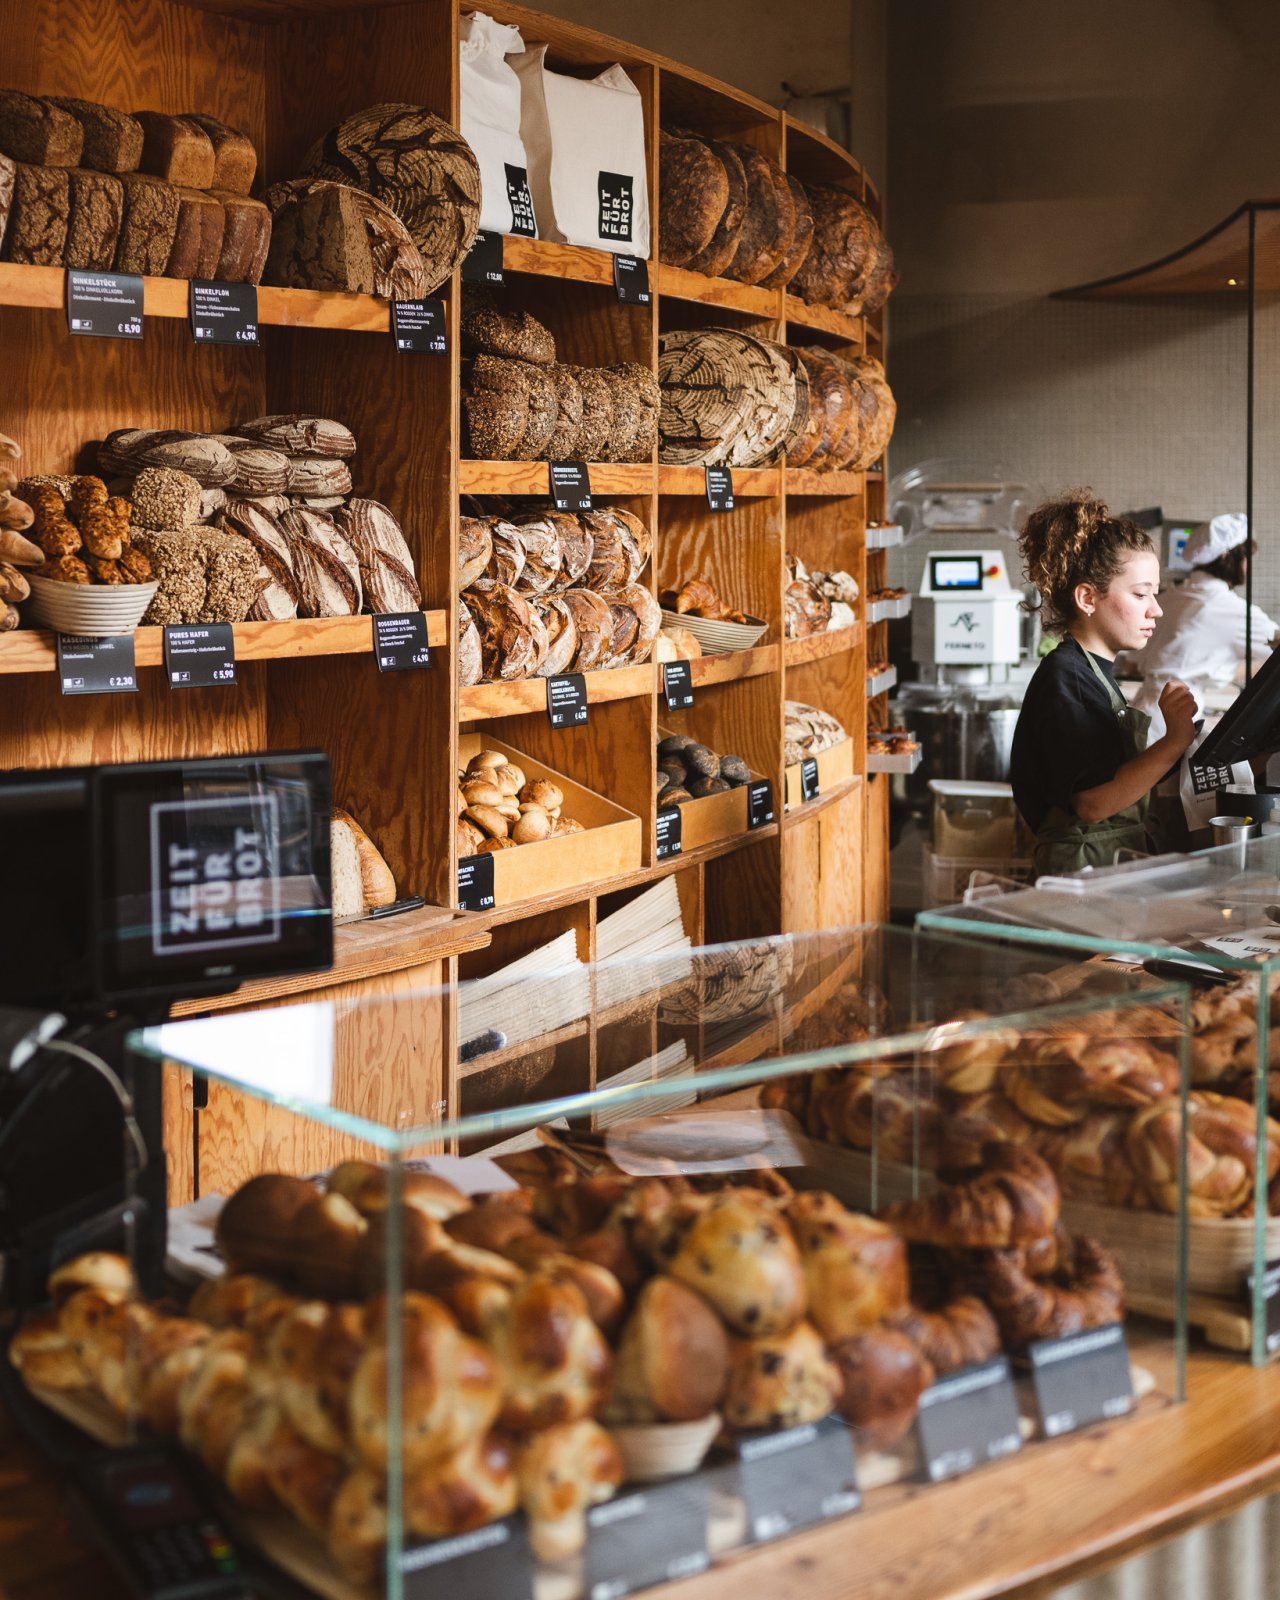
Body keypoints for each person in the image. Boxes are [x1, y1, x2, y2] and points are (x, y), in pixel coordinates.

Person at [1010, 490, 1197, 877]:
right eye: (1141, 593)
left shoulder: (1093, 671)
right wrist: (1175, 741)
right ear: (1087, 598)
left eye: (1155, 594)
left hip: (1103, 864)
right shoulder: (1068, 678)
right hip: (1080, 873)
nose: (1156, 609)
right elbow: (1092, 803)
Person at [1130, 513, 1279, 740]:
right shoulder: (1229, 608)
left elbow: (1134, 660)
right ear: (1227, 556)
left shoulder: (1171, 597)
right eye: (1246, 557)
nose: (1248, 565)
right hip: (1173, 717)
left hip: (1142, 709)